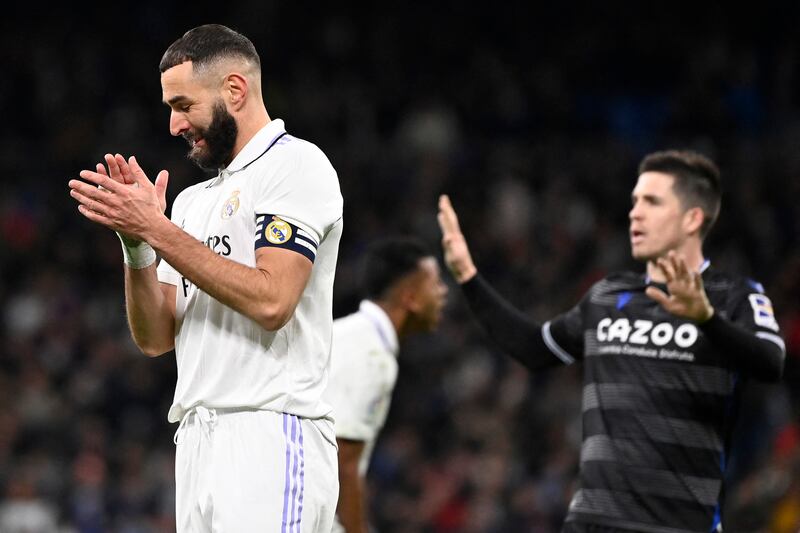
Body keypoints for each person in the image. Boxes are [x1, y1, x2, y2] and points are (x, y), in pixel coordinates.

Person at [68, 24, 343, 532]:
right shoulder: (192, 203)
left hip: (270, 434)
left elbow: (273, 301)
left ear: (234, 90)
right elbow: (155, 339)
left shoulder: (295, 165)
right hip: (197, 442)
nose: (173, 125)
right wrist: (139, 246)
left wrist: (158, 228)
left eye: (182, 105)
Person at [437, 149, 786, 533]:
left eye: (652, 202)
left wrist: (706, 318)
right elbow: (535, 349)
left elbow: (770, 362)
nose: (635, 213)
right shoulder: (607, 295)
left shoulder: (733, 295)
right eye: (635, 201)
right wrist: (468, 276)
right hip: (592, 522)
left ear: (692, 218)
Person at [323, 237, 448, 533]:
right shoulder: (372, 355)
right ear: (410, 297)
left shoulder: (352, 334)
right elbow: (344, 461)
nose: (443, 293)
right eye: (435, 284)